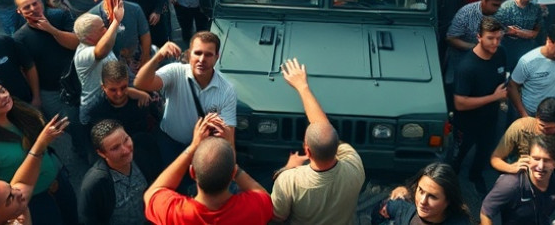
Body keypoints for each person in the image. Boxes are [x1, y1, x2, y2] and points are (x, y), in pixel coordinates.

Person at [0, 78, 76, 224]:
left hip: (57, 180)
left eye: (2, 90)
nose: (4, 96)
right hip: (33, 202)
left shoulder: (17, 113)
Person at [270, 58, 366, 224]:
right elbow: (324, 128)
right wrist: (303, 87)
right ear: (337, 147)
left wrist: (287, 168)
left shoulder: (289, 181)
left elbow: (277, 217)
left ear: (307, 151)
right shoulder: (355, 166)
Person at [143, 114, 271, 224]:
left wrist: (192, 147)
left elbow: (152, 193)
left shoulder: (176, 214)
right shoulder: (253, 209)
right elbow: (264, 196)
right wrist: (230, 147)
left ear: (192, 172)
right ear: (233, 173)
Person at [135, 32, 236, 165]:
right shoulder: (175, 72)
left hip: (203, 150)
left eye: (208, 54)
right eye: (197, 53)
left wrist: (231, 168)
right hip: (170, 144)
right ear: (189, 54)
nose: (202, 59)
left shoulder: (227, 89)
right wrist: (157, 57)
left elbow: (228, 137)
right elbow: (140, 83)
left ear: (217, 57)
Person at [490, 97, 555, 224]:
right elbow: (495, 159)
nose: (545, 131)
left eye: (551, 128)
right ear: (536, 118)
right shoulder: (520, 128)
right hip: (519, 189)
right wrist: (512, 168)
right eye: (541, 126)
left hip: (548, 194)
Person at [446, 17, 508, 195]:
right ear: (479, 37)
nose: (495, 43)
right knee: (456, 158)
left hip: (490, 119)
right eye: (491, 38)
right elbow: (460, 103)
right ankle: (450, 186)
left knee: (484, 151)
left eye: (499, 38)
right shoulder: (467, 67)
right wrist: (494, 97)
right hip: (466, 124)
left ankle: (475, 176)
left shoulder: (501, 53)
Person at [13, 0, 78, 119]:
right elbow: (29, 69)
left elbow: (76, 43)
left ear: (41, 3)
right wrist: (36, 96)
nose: (33, 9)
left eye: (35, 3)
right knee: (65, 124)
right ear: (19, 12)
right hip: (50, 90)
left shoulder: (60, 16)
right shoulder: (19, 38)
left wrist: (52, 30)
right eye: (27, 7)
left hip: (77, 80)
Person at [480, 135, 555, 225]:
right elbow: (486, 213)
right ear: (527, 158)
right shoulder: (511, 184)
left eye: (546, 160)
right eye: (536, 159)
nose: (540, 166)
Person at [78, 120, 148, 224]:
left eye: (126, 140)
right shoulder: (94, 184)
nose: (126, 150)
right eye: (115, 148)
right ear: (101, 153)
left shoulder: (143, 153)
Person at [88, 0, 152, 73]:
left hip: (134, 60)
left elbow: (145, 34)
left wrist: (145, 58)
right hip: (109, 66)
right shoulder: (93, 16)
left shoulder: (135, 9)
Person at [375, 163, 471, 224]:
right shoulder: (402, 208)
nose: (422, 201)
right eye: (421, 191)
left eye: (432, 196)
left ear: (448, 201)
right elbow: (379, 212)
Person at [74, 11, 124, 125]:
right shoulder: (83, 54)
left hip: (111, 102)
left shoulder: (100, 41)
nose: (106, 30)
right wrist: (116, 22)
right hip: (95, 111)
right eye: (101, 29)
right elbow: (101, 52)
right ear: (89, 37)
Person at [494, 0, 542, 72]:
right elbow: (496, 27)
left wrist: (515, 32)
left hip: (526, 50)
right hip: (508, 50)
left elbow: (535, 32)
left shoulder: (535, 9)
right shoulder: (506, 8)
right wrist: (508, 31)